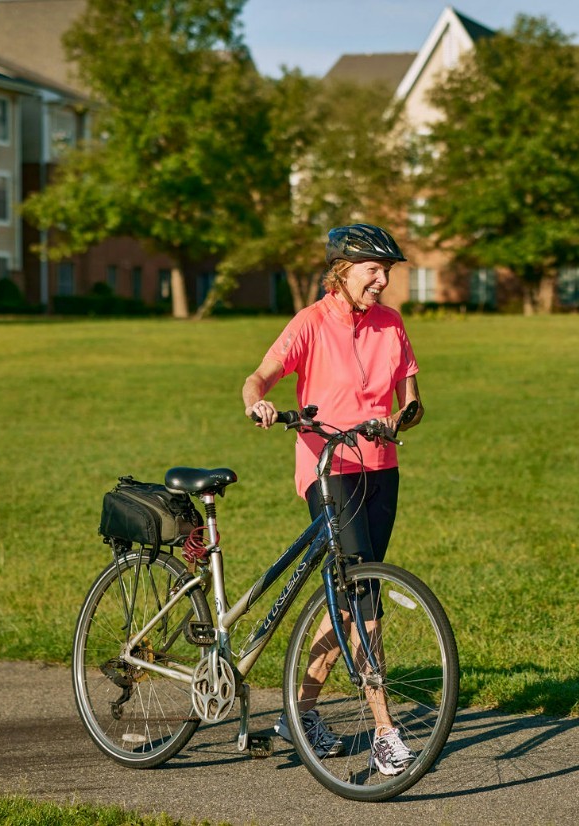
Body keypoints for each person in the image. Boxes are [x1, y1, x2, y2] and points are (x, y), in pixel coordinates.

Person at [241, 223, 424, 776]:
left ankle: (300, 714)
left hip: (381, 470)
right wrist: (260, 405)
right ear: (343, 271)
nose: (383, 280)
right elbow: (258, 378)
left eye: (387, 271)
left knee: (347, 596)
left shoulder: (392, 324)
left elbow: (411, 400)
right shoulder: (311, 323)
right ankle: (386, 732)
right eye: (373, 270)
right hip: (329, 471)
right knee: (364, 594)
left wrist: (399, 421)